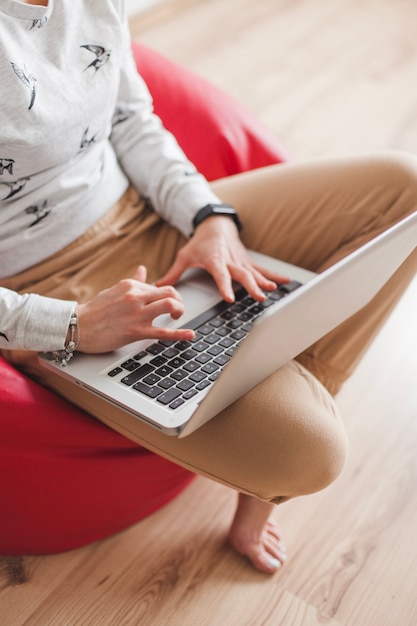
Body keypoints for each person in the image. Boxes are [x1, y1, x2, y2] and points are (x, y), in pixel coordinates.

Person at [1, 0, 417, 575]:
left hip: (143, 211)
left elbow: (129, 119)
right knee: (312, 455)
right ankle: (268, 445)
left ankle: (260, 451)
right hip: (48, 284)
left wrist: (208, 217)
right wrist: (71, 325)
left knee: (404, 191)